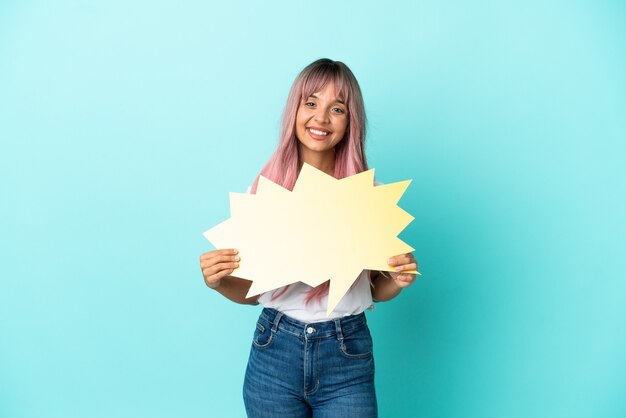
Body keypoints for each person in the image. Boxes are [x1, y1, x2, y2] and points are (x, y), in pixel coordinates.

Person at [199, 58, 418, 417]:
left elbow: (376, 288)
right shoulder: (265, 191)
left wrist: (398, 280)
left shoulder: (368, 194)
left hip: (347, 352)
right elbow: (254, 292)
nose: (321, 118)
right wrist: (219, 282)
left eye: (337, 108)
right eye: (311, 103)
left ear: (351, 122)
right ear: (294, 111)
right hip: (275, 351)